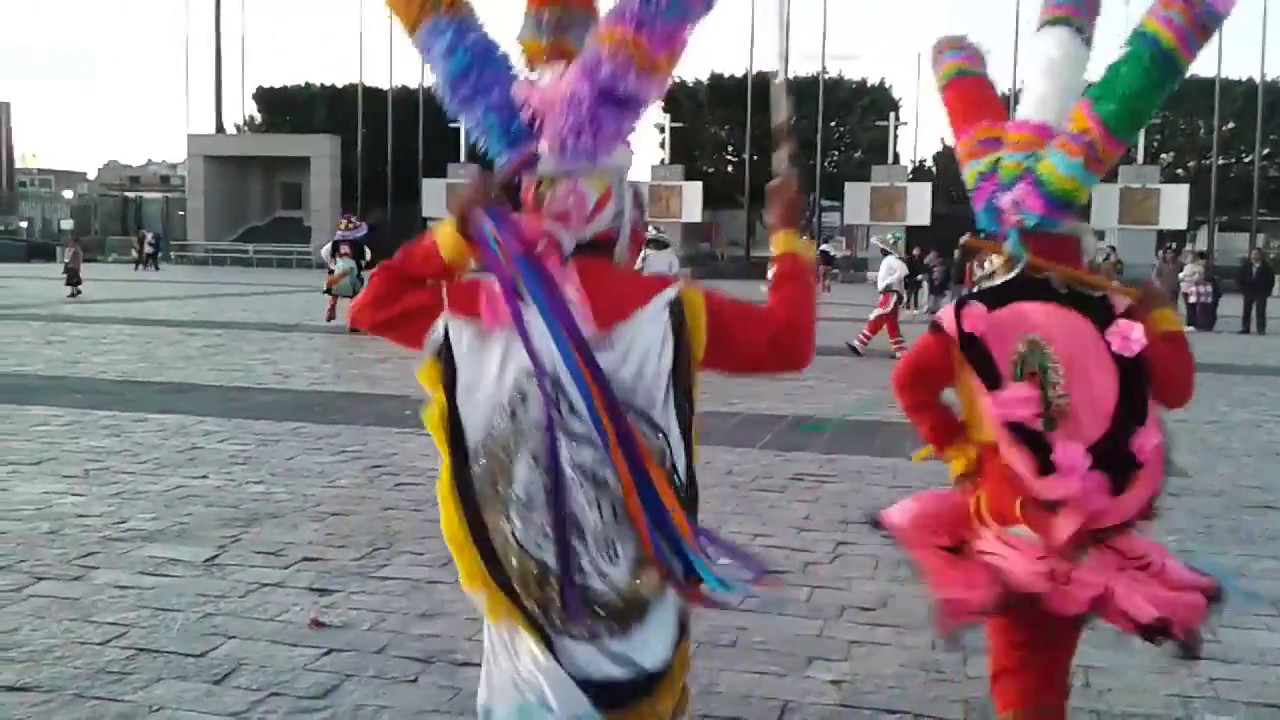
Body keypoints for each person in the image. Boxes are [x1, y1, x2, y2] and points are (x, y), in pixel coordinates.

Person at [362, 2, 810, 717]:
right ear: (620, 213)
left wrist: (459, 235)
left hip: (525, 657)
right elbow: (789, 341)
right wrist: (788, 240)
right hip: (635, 653)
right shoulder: (670, 311)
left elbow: (374, 302)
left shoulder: (476, 311)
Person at [881, 5, 1228, 716]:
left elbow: (908, 382)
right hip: (1088, 530)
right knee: (1044, 673)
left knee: (1024, 678)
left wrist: (960, 453)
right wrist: (1156, 306)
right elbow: (1180, 388)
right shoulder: (1117, 308)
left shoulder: (972, 313)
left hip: (1006, 521)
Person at [846, 233, 908, 359]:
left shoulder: (892, 260)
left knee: (877, 317)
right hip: (888, 293)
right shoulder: (888, 261)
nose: (881, 251)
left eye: (882, 249)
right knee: (891, 324)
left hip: (890, 293)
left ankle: (860, 343)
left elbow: (904, 271)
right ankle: (901, 350)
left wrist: (889, 281)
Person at [321, 215, 372, 325]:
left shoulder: (334, 244)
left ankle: (332, 305)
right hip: (352, 278)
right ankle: (353, 319)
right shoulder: (360, 246)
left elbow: (324, 253)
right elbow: (367, 257)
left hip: (336, 278)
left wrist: (333, 265)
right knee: (356, 297)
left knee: (333, 288)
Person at [1239, 247, 1275, 335]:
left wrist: (1267, 291)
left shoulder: (1266, 267)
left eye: (1256, 254)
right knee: (1246, 310)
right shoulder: (1246, 266)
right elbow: (1240, 278)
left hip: (1261, 292)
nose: (1254, 256)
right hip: (1248, 291)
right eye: (1253, 254)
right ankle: (1245, 328)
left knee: (1260, 310)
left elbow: (1271, 280)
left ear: (1260, 255)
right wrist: (1242, 289)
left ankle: (1261, 328)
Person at [1179, 250, 1211, 331]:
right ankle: (1191, 324)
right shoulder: (1195, 267)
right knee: (1190, 307)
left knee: (1191, 307)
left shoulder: (1195, 267)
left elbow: (1192, 278)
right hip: (1188, 289)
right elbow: (1191, 278)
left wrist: (1185, 278)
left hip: (1191, 289)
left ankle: (1191, 324)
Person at [924, 250, 949, 314]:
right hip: (935, 284)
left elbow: (938, 276)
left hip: (937, 284)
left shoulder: (938, 268)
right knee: (935, 297)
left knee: (936, 297)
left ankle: (934, 309)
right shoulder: (931, 265)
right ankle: (934, 308)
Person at [904, 245, 925, 311]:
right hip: (911, 277)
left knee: (916, 293)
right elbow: (908, 268)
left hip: (918, 277)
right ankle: (907, 305)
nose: (917, 252)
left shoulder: (920, 259)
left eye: (918, 251)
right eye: (916, 251)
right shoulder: (910, 259)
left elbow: (922, 267)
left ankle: (916, 306)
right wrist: (907, 277)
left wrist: (921, 274)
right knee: (909, 292)